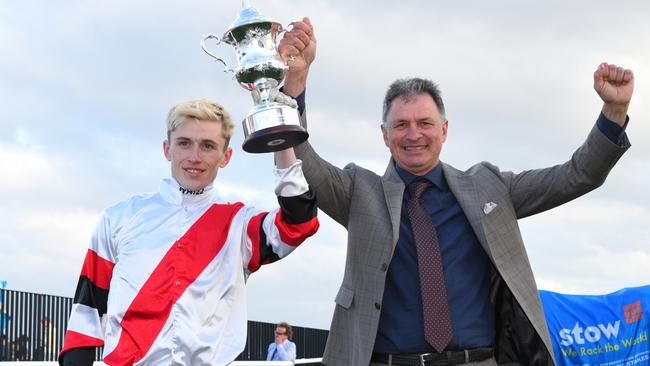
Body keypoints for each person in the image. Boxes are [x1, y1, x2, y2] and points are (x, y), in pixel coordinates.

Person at [278, 18, 634, 365]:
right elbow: (304, 163)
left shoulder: (489, 187)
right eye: (401, 125)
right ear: (384, 135)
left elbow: (578, 175)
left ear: (444, 130)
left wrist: (614, 110)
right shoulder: (360, 192)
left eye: (425, 123)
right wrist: (296, 84)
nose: (414, 134)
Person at [58, 98, 319, 366]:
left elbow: (299, 224)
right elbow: (85, 316)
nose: (194, 157)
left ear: (225, 156)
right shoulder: (117, 218)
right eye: (184, 143)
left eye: (207, 146)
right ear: (167, 148)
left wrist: (281, 136)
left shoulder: (240, 224)